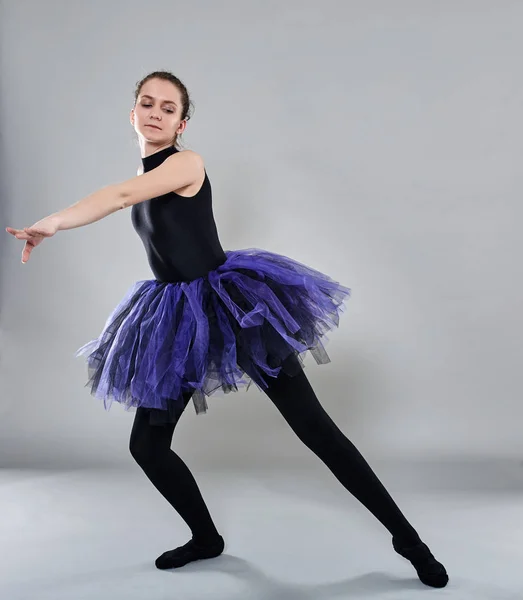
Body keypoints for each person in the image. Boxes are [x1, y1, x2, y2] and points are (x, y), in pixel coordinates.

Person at [6, 70, 448, 589]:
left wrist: (55, 221)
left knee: (315, 430)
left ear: (181, 122)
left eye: (167, 108)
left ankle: (409, 541)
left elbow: (121, 193)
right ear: (132, 113)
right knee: (147, 447)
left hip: (233, 306)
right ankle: (206, 538)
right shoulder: (150, 171)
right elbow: (131, 192)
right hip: (174, 316)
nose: (155, 113)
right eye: (146, 104)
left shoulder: (186, 163)